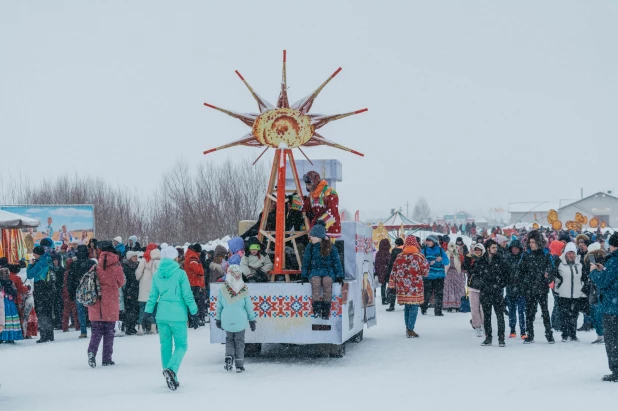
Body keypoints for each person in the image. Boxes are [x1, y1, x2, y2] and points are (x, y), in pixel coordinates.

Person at [143, 246, 198, 390]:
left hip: (162, 315)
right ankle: (172, 370)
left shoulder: (157, 275)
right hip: (178, 315)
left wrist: (147, 312)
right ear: (176, 258)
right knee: (181, 345)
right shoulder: (180, 274)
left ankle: (173, 377)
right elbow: (187, 295)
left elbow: (153, 296)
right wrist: (194, 311)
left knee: (165, 346)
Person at [87, 242, 125, 368]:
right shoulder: (116, 267)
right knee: (109, 332)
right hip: (110, 302)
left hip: (96, 302)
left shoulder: (95, 266)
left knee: (96, 331)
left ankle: (92, 351)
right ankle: (107, 358)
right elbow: (121, 282)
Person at [215, 264, 257, 373]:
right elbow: (248, 306)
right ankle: (239, 365)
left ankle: (229, 356)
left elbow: (219, 305)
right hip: (240, 320)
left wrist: (218, 319)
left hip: (226, 319)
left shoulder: (223, 288)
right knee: (239, 342)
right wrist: (252, 320)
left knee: (229, 340)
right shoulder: (243, 289)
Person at [387, 236, 430, 337]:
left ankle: (408, 327)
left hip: (403, 286)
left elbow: (393, 271)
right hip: (415, 286)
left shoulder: (399, 256)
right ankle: (410, 329)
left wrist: (392, 283)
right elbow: (425, 271)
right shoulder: (419, 256)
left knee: (407, 306)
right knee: (414, 306)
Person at [590, 232, 618, 382]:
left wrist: (594, 272)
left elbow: (603, 282)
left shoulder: (614, 261)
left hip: (612, 308)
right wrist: (604, 268)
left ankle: (616, 370)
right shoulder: (612, 262)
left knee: (613, 341)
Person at [300, 222, 344, 319]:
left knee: (327, 282)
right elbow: (306, 262)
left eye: (313, 236)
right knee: (315, 283)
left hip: (328, 271)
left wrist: (339, 276)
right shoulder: (310, 247)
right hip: (315, 271)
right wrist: (304, 275)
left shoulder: (330, 246)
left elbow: (336, 261)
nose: (311, 238)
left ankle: (325, 311)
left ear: (319, 236)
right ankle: (316, 309)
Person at [519, 230, 555, 344]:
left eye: (533, 242)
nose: (531, 244)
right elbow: (520, 271)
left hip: (542, 287)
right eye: (530, 242)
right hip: (529, 288)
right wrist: (525, 281)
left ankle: (549, 334)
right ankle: (530, 334)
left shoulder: (545, 254)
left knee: (545, 312)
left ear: (539, 242)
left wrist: (547, 274)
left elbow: (552, 269)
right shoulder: (526, 255)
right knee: (529, 312)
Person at [476, 240, 510, 347]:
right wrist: (482, 285)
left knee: (499, 315)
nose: (495, 249)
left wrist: (500, 285)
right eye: (493, 247)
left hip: (497, 292)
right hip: (485, 292)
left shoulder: (500, 260)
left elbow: (506, 275)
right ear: (488, 248)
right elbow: (477, 274)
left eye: (496, 247)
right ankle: (488, 337)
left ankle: (501, 338)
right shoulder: (482, 260)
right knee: (487, 316)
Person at [554, 242, 587, 342]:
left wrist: (583, 290)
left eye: (573, 253)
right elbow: (555, 277)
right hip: (563, 293)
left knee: (574, 315)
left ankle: (573, 334)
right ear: (565, 253)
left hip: (577, 293)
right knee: (564, 315)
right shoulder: (559, 263)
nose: (571, 255)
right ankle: (565, 334)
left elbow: (584, 277)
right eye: (569, 253)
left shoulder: (580, 263)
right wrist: (557, 289)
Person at [26, 241, 56, 343]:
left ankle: (44, 335)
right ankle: (50, 335)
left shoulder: (40, 263)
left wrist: (30, 265)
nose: (33, 255)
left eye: (34, 253)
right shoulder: (48, 260)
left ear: (38, 254)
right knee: (48, 311)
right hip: (49, 289)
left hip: (41, 289)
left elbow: (30, 275)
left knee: (41, 312)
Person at [302, 171, 341, 239]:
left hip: (328, 229)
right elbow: (304, 208)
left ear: (314, 183)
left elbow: (333, 212)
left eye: (309, 184)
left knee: (325, 248)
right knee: (315, 248)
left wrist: (321, 222)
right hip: (316, 228)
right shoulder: (312, 195)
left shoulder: (329, 192)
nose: (307, 187)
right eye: (306, 184)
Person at [68, 245, 96, 338]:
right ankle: (94, 329)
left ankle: (83, 331)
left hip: (78, 290)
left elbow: (70, 280)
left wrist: (71, 292)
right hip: (90, 289)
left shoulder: (73, 264)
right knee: (91, 310)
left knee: (80, 311)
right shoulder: (91, 263)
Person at [420, 235, 450, 316]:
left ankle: (438, 311)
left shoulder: (440, 250)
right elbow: (420, 262)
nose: (428, 242)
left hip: (439, 276)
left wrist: (441, 260)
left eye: (430, 240)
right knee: (427, 294)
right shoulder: (424, 251)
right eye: (427, 240)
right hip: (428, 276)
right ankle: (424, 307)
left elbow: (447, 261)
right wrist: (429, 263)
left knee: (439, 294)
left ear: (434, 242)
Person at [136, 243, 161, 335]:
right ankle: (153, 327)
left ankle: (140, 327)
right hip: (155, 284)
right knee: (154, 307)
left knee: (143, 307)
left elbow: (139, 272)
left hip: (145, 283)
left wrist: (138, 278)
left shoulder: (145, 258)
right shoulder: (159, 259)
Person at [585, 242, 607, 344]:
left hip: (597, 290)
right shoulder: (605, 260)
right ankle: (601, 334)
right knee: (596, 313)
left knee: (597, 313)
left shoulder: (602, 261)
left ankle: (601, 334)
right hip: (595, 290)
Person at [505, 240, 526, 339]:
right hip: (510, 288)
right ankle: (512, 330)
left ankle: (523, 331)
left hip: (521, 289)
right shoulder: (507, 258)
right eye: (513, 248)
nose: (515, 250)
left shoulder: (523, 259)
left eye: (516, 248)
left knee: (521, 311)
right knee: (512, 311)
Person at [463, 243, 486, 337]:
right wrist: (467, 259)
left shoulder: (485, 259)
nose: (477, 251)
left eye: (479, 250)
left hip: (484, 287)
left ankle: (485, 325)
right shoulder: (470, 259)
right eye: (475, 249)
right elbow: (465, 268)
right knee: (474, 307)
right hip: (472, 286)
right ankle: (477, 326)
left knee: (483, 308)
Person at [185, 243, 207, 326]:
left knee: (192, 301)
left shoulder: (189, 255)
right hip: (194, 282)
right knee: (195, 302)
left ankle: (192, 320)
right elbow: (196, 269)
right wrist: (201, 272)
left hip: (191, 282)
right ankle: (194, 321)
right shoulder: (193, 257)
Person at [0, 267, 24, 343]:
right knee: (8, 319)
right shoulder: (9, 282)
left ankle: (5, 336)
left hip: (7, 302)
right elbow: (15, 292)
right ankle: (9, 336)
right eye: (4, 273)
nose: (5, 274)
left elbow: (14, 292)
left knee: (5, 319)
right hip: (7, 302)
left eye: (6, 273)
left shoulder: (9, 282)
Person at [443, 242, 466, 312]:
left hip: (457, 274)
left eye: (453, 247)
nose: (452, 248)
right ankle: (450, 305)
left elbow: (462, 263)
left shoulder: (458, 255)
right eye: (450, 246)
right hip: (448, 273)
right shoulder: (446, 254)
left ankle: (457, 304)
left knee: (457, 289)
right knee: (449, 289)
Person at [122, 251, 140, 335]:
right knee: (130, 310)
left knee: (135, 309)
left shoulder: (137, 265)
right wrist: (128, 291)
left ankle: (132, 326)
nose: (135, 258)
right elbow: (128, 279)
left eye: (136, 257)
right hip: (129, 290)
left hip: (136, 289)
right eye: (133, 257)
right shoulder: (125, 266)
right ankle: (129, 327)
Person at [385, 238, 405, 312]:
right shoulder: (405, 250)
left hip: (395, 272)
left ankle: (392, 305)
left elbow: (391, 263)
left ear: (396, 244)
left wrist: (389, 272)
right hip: (404, 273)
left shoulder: (395, 250)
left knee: (393, 289)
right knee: (404, 289)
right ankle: (406, 305)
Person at [374, 239, 391, 305]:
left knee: (383, 286)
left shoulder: (378, 253)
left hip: (380, 272)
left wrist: (378, 271)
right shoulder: (388, 253)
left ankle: (383, 299)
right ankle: (387, 298)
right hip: (387, 271)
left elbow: (376, 263)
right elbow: (389, 262)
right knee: (389, 285)